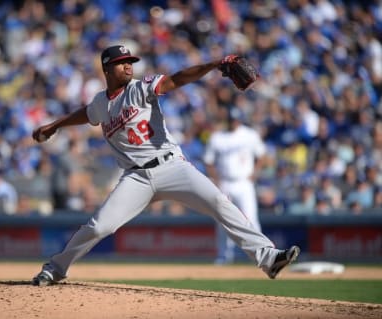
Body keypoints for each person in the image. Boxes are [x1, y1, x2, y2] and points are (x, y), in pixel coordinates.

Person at [31, 44, 300, 286]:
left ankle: (268, 258)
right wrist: (55, 126)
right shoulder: (101, 102)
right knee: (100, 227)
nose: (128, 65)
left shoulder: (139, 87)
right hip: (135, 178)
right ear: (106, 68)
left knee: (220, 202)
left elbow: (177, 79)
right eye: (122, 61)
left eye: (130, 61)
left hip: (172, 167)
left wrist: (213, 64)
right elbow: (87, 114)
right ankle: (55, 268)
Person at [204, 107, 267, 264]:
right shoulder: (218, 137)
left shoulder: (249, 135)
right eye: (231, 120)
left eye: (236, 120)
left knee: (251, 220)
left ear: (240, 120)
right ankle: (224, 255)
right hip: (225, 182)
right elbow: (208, 161)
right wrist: (216, 179)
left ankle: (260, 255)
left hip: (244, 183)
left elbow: (262, 156)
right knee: (223, 221)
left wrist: (255, 173)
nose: (234, 122)